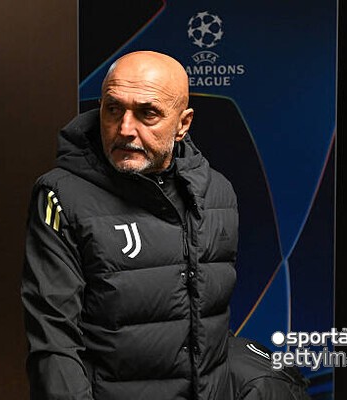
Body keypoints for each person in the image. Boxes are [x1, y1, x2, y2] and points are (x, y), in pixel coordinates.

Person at [21, 51, 309, 400]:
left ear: (183, 124)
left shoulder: (217, 193)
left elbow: (206, 323)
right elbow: (54, 340)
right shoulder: (61, 196)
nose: (125, 129)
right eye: (113, 109)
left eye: (148, 113)